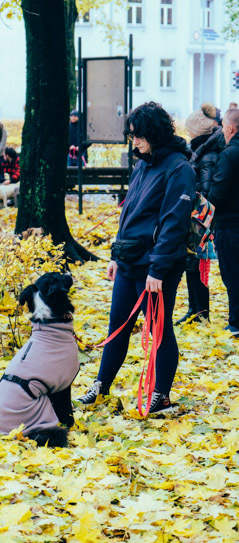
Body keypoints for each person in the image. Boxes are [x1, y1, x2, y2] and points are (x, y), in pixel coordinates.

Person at [78, 101, 196, 414]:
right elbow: (129, 212)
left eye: (139, 136)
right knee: (117, 325)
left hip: (157, 267)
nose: (135, 142)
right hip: (129, 261)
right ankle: (101, 386)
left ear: (154, 133)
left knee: (159, 330)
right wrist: (116, 254)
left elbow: (174, 222)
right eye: (132, 136)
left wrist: (157, 270)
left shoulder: (179, 168)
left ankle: (161, 395)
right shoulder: (143, 162)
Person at [176, 103, 225, 324]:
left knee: (196, 263)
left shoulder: (207, 154)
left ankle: (201, 313)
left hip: (201, 218)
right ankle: (194, 309)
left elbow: (206, 190)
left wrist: (194, 204)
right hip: (196, 215)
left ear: (196, 130)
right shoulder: (201, 149)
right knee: (191, 263)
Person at [208, 108, 239, 336]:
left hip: (230, 224)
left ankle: (236, 322)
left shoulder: (229, 154)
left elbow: (217, 193)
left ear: (230, 128)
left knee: (232, 273)